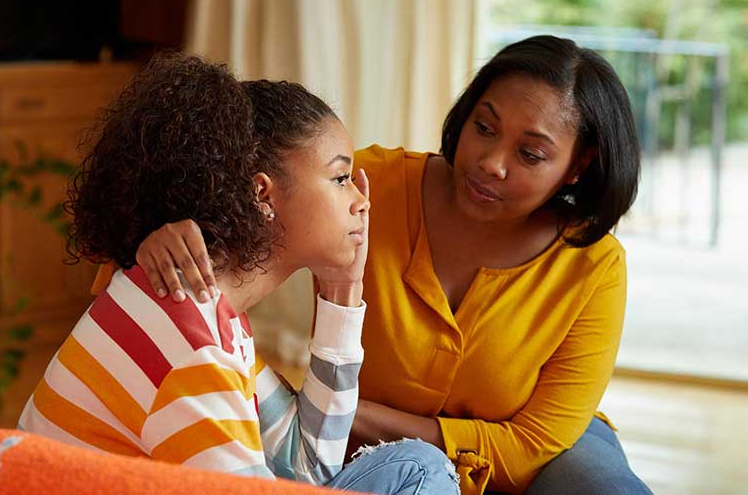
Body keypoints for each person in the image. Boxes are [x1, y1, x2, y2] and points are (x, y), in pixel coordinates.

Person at [95, 36, 652, 494]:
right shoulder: (367, 186)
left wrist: (340, 413)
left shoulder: (595, 265)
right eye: (484, 127)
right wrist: (159, 241)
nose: (489, 162)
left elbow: (531, 445)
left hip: (532, 450)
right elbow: (243, 197)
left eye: (530, 154)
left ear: (579, 167)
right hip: (350, 438)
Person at [18, 54, 459, 495]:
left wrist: (344, 290)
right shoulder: (196, 348)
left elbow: (306, 465)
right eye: (341, 177)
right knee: (422, 474)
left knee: (418, 465)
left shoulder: (207, 312)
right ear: (261, 193)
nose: (362, 201)